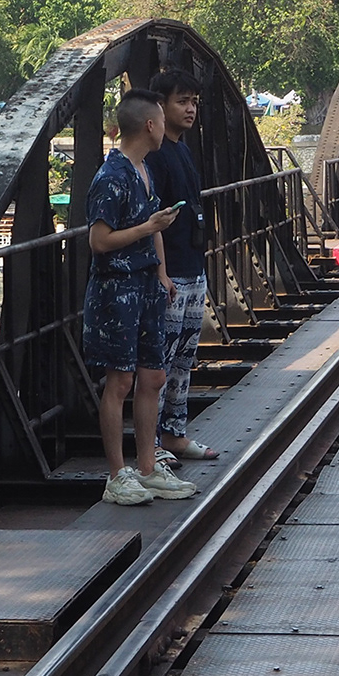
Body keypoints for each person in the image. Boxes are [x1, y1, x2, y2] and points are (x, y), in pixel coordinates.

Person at [82, 89, 199, 506]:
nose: (167, 126)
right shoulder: (111, 176)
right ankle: (117, 475)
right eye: (161, 121)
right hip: (118, 290)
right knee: (120, 380)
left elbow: (155, 228)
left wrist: (162, 271)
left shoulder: (144, 170)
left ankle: (148, 468)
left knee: (153, 376)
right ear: (149, 125)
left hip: (147, 286)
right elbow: (99, 240)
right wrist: (147, 229)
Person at [147, 69, 222, 468]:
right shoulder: (155, 154)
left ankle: (175, 432)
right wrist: (160, 272)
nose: (191, 109)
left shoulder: (183, 149)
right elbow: (153, 218)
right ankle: (152, 443)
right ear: (159, 104)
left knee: (184, 357)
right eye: (182, 101)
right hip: (170, 272)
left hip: (193, 267)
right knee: (160, 360)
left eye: (194, 101)